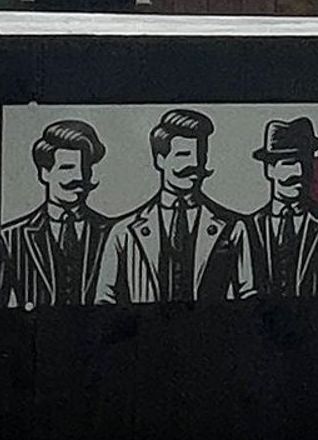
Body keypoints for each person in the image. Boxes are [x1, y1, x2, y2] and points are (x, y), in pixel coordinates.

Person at [95, 109, 255, 305]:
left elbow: (249, 296)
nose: (194, 163)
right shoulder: (123, 233)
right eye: (183, 155)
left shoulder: (233, 228)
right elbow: (104, 301)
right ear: (160, 160)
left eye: (200, 154)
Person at [243, 116, 318, 298]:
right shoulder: (249, 227)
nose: (299, 172)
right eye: (289, 163)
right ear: (269, 170)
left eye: (305, 162)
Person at [0, 119, 111, 309]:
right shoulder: (11, 238)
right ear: (44, 172)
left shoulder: (112, 232)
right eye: (67, 168)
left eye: (85, 168)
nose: (79, 177)